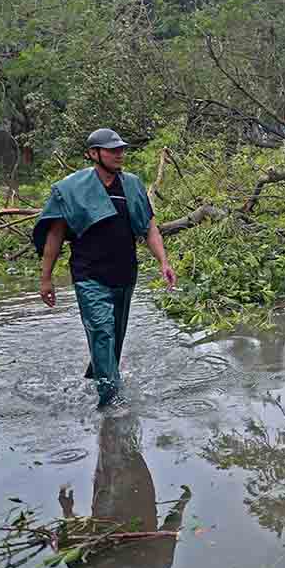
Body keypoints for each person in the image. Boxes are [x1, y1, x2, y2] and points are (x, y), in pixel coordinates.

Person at [32, 128, 177, 408]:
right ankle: (111, 402)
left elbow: (149, 228)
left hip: (124, 274)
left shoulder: (132, 185)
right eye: (112, 150)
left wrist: (164, 262)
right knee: (101, 330)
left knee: (115, 337)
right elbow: (55, 235)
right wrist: (46, 278)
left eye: (121, 149)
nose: (119, 154)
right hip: (89, 276)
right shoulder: (72, 188)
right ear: (93, 154)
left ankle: (97, 373)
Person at [58, 413, 191, 568]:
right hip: (125, 495)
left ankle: (113, 406)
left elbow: (68, 550)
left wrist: (68, 514)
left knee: (115, 447)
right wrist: (182, 503)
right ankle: (115, 406)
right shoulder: (156, 565)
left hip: (116, 499)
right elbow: (68, 549)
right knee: (118, 447)